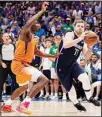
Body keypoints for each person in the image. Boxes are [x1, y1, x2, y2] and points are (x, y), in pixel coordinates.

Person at [1, 2, 60, 115]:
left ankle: (7, 105)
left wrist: (52, 56)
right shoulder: (25, 33)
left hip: (19, 64)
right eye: (36, 23)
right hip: (20, 64)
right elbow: (28, 23)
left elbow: (37, 52)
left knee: (23, 87)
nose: (38, 24)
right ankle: (24, 104)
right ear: (31, 25)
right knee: (44, 80)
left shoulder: (31, 38)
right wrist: (42, 11)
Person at [55, 19, 100, 111]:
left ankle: (89, 97)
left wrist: (90, 48)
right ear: (74, 27)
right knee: (71, 90)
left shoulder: (83, 41)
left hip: (73, 64)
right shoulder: (70, 34)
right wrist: (80, 38)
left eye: (82, 26)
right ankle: (76, 103)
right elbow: (67, 45)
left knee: (85, 77)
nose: (80, 28)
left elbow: (86, 57)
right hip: (61, 67)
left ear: (84, 28)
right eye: (78, 26)